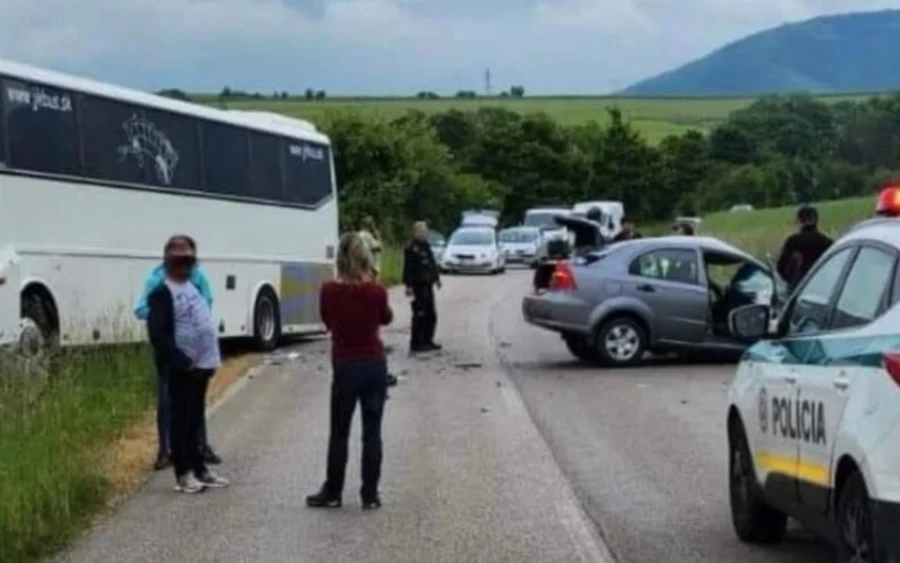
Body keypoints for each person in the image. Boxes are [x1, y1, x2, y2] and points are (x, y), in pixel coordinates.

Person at [307, 233, 392, 510]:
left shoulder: (329, 290)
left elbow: (328, 322)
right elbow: (386, 318)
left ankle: (333, 491)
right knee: (372, 432)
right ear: (366, 257)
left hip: (345, 365)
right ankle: (370, 494)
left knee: (339, 431)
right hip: (374, 364)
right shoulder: (376, 291)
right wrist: (373, 282)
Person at [147, 235, 229, 493]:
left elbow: (203, 322)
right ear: (169, 262)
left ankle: (200, 468)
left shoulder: (192, 287)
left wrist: (210, 359)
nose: (186, 264)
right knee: (180, 420)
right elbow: (158, 335)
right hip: (180, 368)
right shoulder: (162, 293)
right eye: (180, 259)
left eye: (189, 259)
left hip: (200, 367)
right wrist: (180, 360)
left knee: (195, 419)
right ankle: (183, 473)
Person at [402, 221, 441, 353]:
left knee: (431, 315)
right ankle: (417, 342)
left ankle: (428, 340)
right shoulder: (411, 248)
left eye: (425, 231)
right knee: (420, 314)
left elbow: (432, 264)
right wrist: (408, 285)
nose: (423, 234)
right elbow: (408, 268)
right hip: (418, 285)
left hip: (428, 284)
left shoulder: (426, 246)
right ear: (414, 232)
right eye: (420, 231)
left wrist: (436, 278)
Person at [776, 204, 833, 292]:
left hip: (799, 288)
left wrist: (791, 280)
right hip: (823, 289)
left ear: (799, 220)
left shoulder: (793, 241)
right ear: (816, 220)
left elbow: (780, 267)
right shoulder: (827, 242)